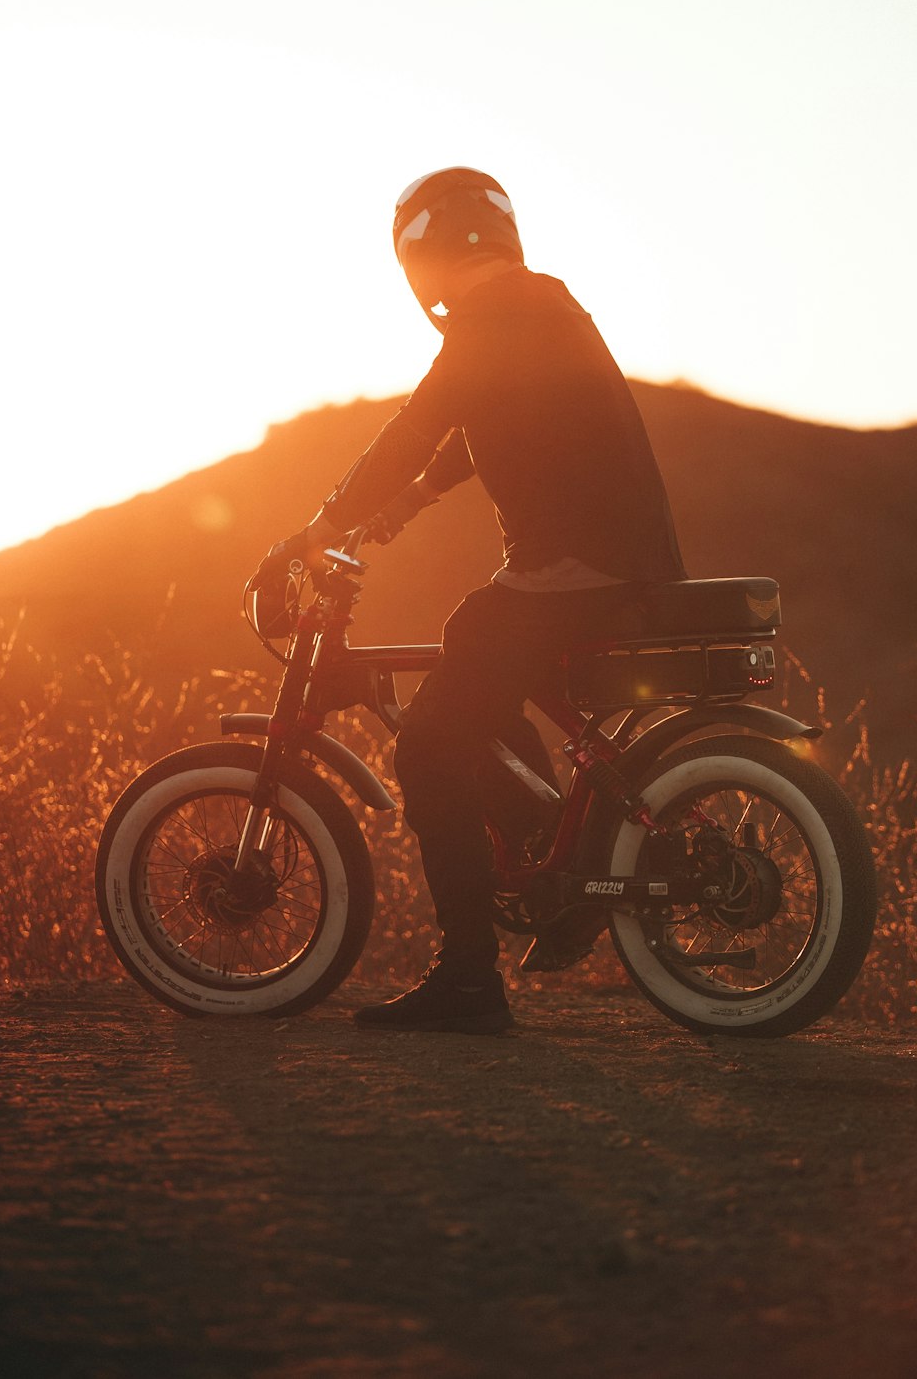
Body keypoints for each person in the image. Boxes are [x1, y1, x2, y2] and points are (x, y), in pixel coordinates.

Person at [255, 167, 686, 1034]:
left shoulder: (487, 323)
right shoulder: (546, 307)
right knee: (471, 651)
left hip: (569, 572)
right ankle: (545, 847)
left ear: (423, 257)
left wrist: (317, 528)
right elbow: (487, 424)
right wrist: (411, 501)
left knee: (425, 747)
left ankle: (466, 981)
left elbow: (415, 427)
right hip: (627, 567)